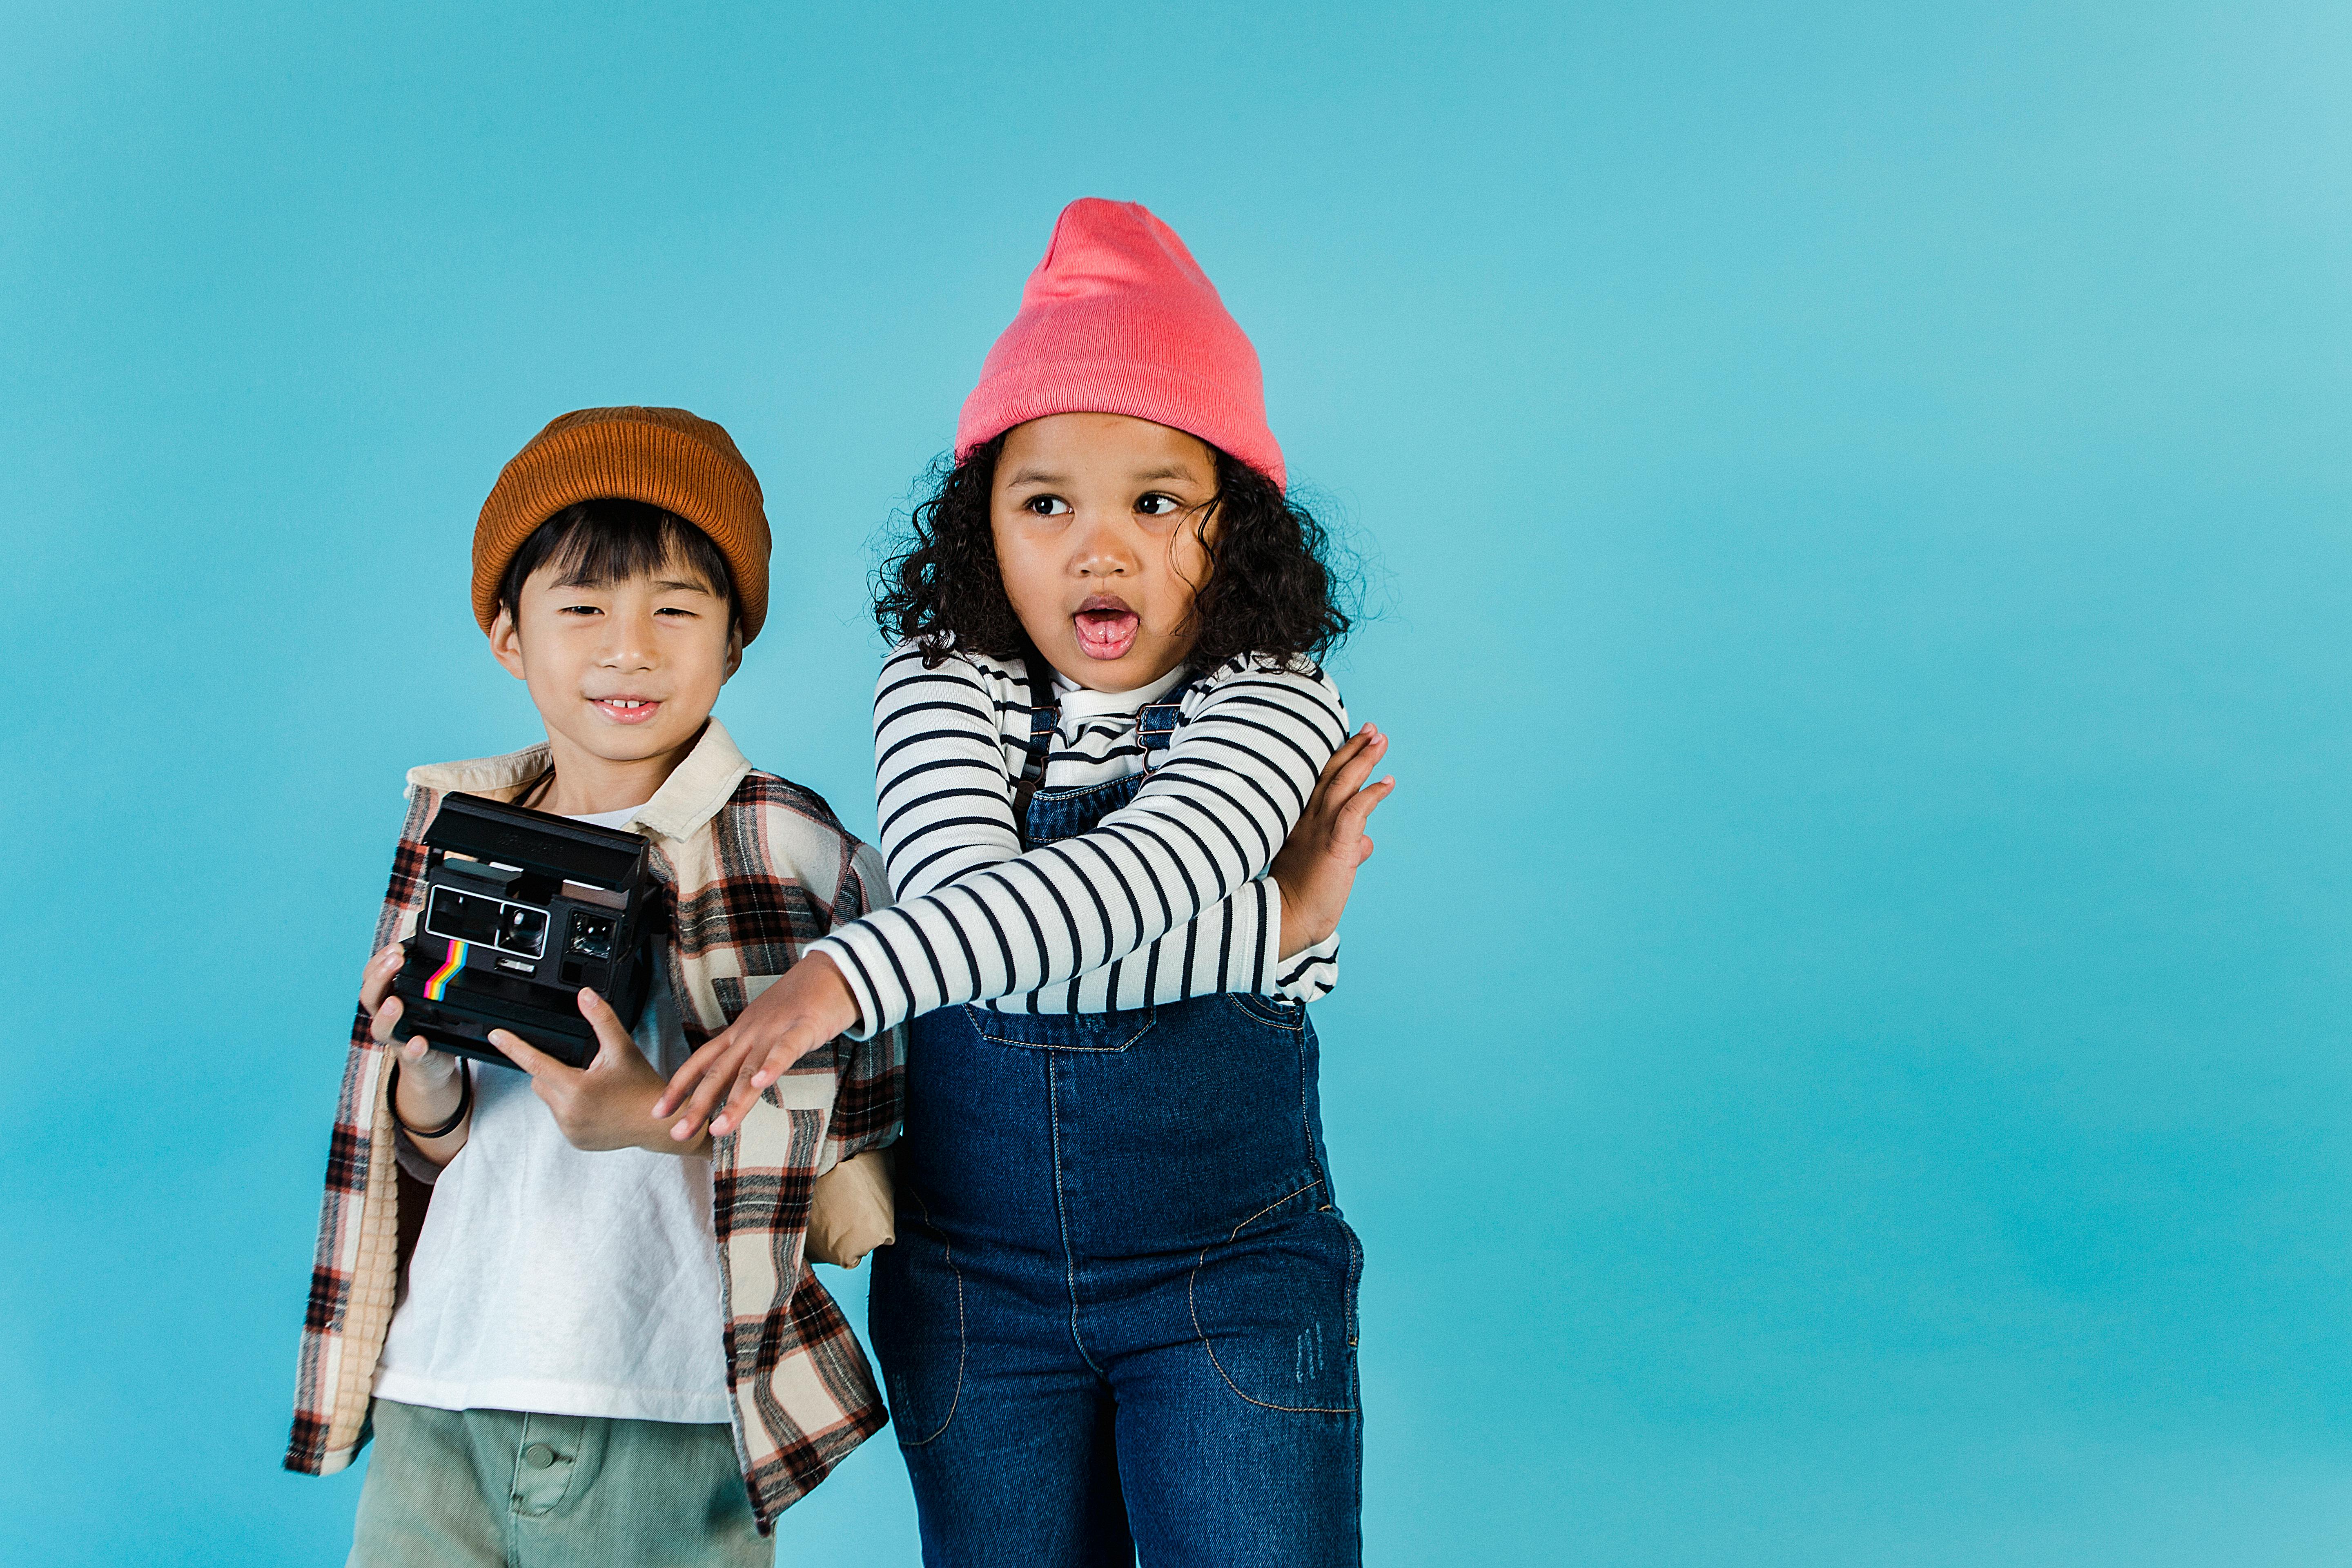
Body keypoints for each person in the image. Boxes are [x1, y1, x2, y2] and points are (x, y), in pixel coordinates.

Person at [656, 200, 1393, 1566]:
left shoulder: (1277, 700)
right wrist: (1270, 928)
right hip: (973, 1291)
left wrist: (849, 971)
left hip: (1226, 1283)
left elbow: (1140, 876)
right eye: (1044, 501)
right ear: (982, 521)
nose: (1096, 548)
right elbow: (965, 908)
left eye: (1157, 502)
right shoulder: (936, 678)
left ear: (1235, 528)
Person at [285, 406, 903, 1565]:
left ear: (733, 642)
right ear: (509, 636)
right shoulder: (456, 836)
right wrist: (421, 1081)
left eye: (675, 610)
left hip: (662, 1394)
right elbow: (437, 1149)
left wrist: (655, 1118)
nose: (630, 648)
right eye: (582, 610)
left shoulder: (795, 850)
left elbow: (862, 1164)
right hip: (442, 1376)